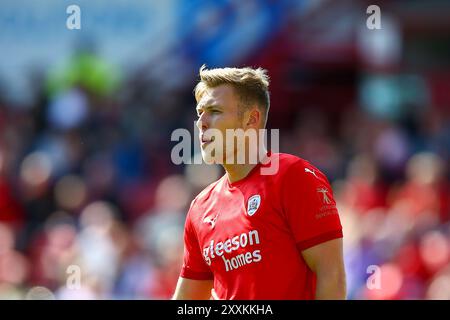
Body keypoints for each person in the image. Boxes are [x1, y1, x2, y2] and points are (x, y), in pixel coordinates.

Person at [172, 65, 346, 300]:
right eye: (200, 112)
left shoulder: (293, 177)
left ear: (251, 119)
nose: (201, 123)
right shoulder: (200, 208)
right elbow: (188, 301)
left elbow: (332, 276)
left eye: (214, 111)